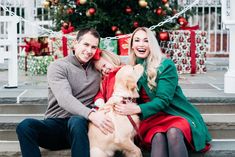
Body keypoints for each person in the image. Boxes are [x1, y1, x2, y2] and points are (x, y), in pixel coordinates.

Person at [114, 27, 211, 157]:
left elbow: (163, 100)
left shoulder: (166, 65)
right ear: (132, 45)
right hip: (150, 118)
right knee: (158, 137)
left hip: (174, 113)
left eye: (146, 40)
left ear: (152, 45)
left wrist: (136, 108)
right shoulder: (129, 68)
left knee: (174, 133)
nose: (141, 44)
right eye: (137, 40)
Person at [16, 28, 114, 157]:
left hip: (82, 129)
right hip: (56, 125)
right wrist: (91, 114)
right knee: (25, 126)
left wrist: (102, 62)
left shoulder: (98, 68)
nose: (89, 50)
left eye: (93, 47)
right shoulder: (58, 66)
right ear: (75, 44)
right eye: (86, 44)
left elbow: (119, 64)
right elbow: (64, 98)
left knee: (77, 121)